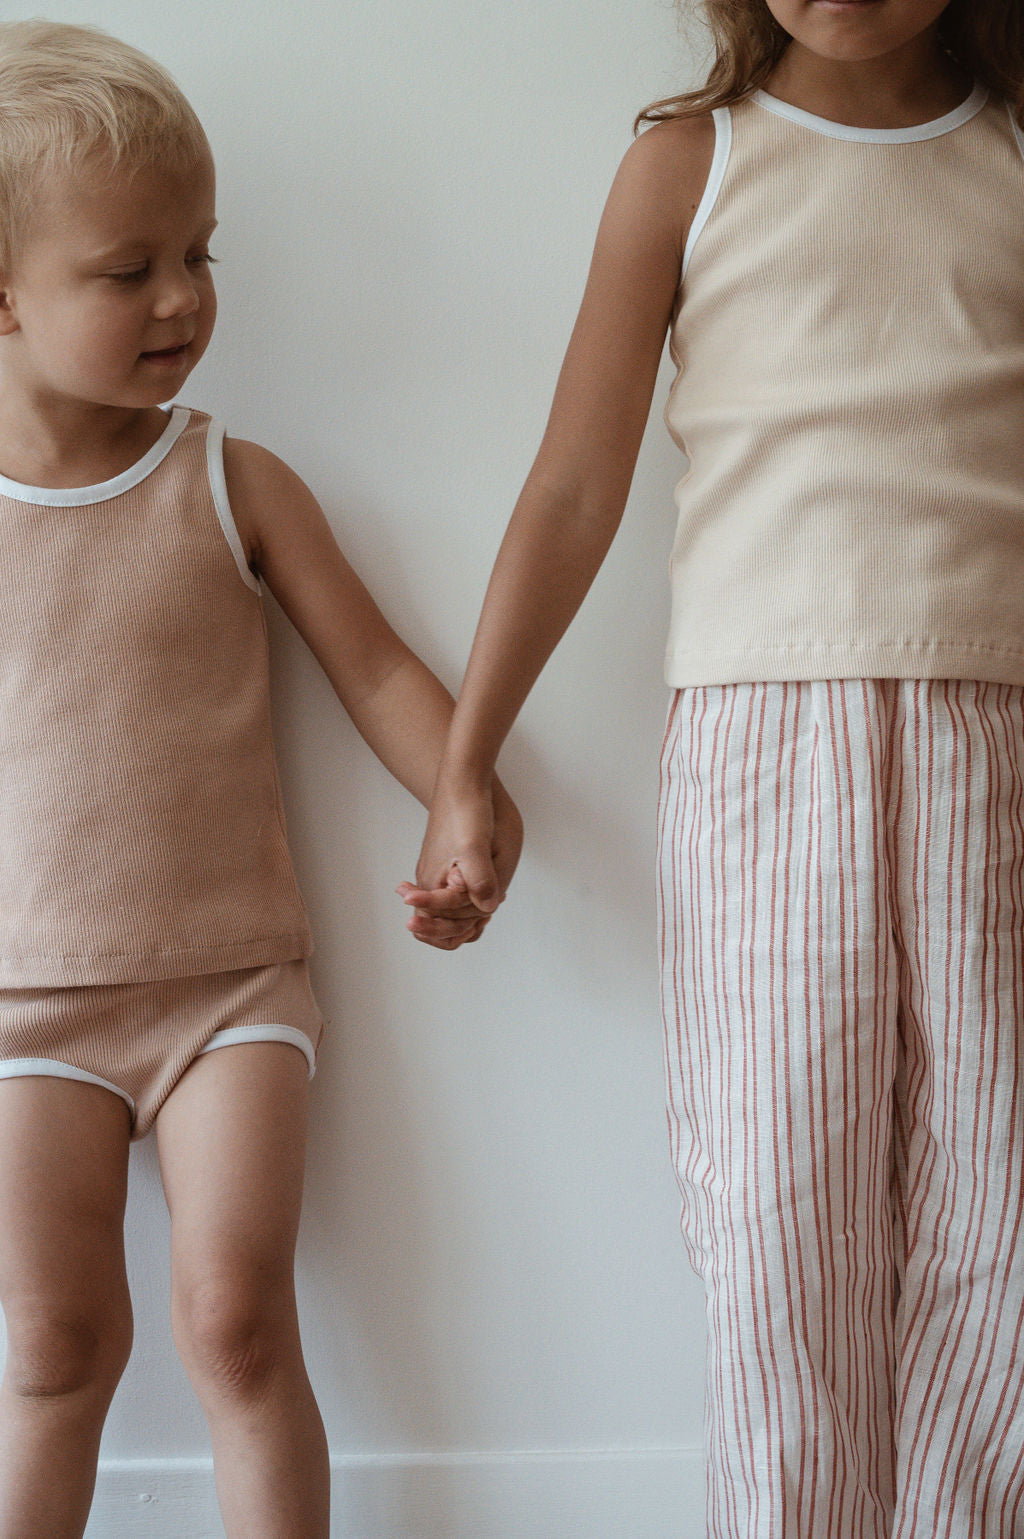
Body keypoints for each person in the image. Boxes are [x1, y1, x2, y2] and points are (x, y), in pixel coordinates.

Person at [400, 1, 1024, 1532]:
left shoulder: (1010, 156)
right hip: (761, 745)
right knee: (778, 1214)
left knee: (995, 1217)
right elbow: (573, 481)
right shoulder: (693, 164)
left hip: (991, 737)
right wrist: (465, 763)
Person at [0, 20, 519, 1539]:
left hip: (233, 994)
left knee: (238, 1325)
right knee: (49, 1349)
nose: (182, 299)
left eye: (200, 255)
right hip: (23, 1006)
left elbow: (369, 667)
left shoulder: (229, 478)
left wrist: (465, 790)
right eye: (127, 268)